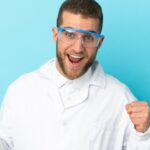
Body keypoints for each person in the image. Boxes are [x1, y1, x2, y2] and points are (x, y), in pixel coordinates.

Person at [0, 0, 150, 149]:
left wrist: (144, 134)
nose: (78, 48)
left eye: (88, 37)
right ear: (55, 35)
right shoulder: (20, 90)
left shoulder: (119, 98)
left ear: (100, 42)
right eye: (70, 35)